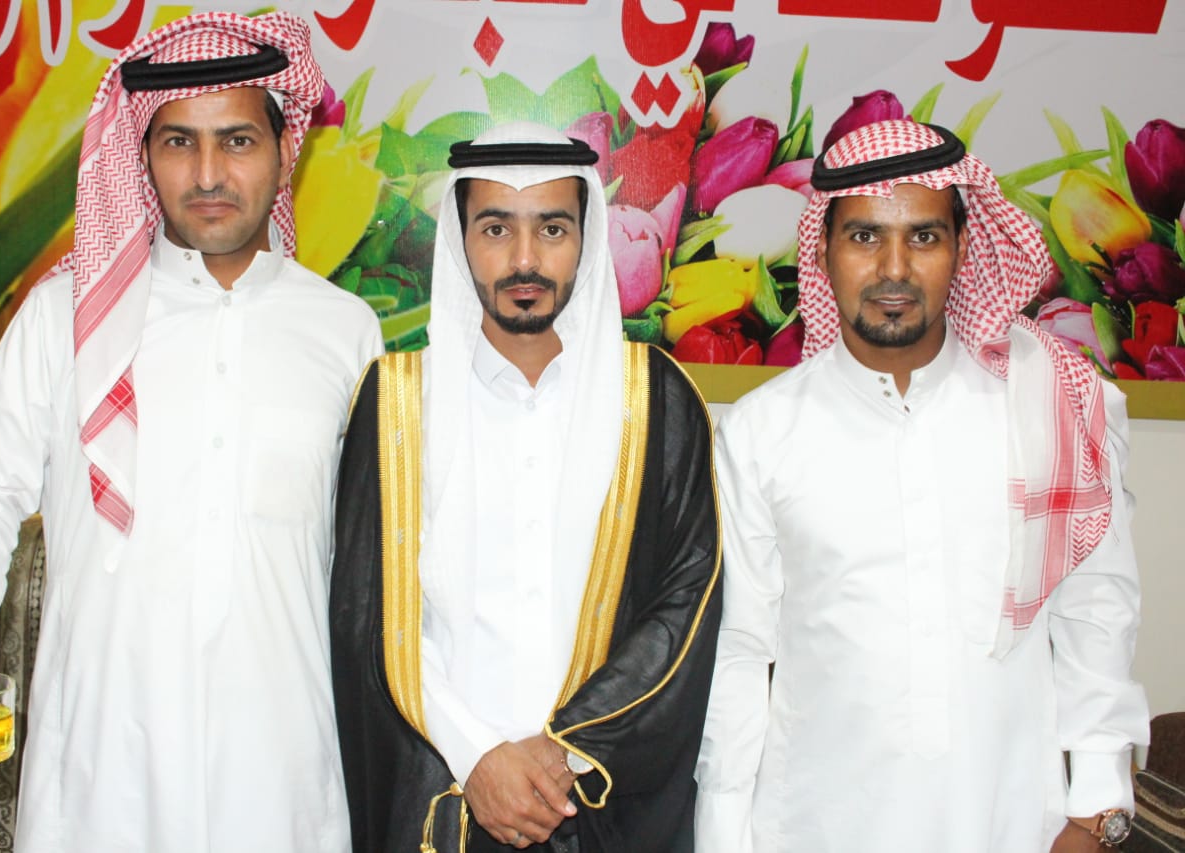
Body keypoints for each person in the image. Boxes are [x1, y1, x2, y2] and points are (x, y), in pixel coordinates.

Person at [0, 11, 382, 852]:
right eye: (178, 142)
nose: (208, 173)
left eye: (238, 141)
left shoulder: (345, 332)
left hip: (280, 784)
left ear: (286, 151)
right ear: (143, 154)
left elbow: (375, 560)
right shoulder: (64, 317)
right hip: (99, 781)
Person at [695, 120, 1150, 853]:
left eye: (925, 237)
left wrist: (1097, 806)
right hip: (814, 825)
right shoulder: (760, 431)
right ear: (822, 249)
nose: (894, 269)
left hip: (1010, 822)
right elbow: (738, 652)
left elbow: (1096, 610)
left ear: (963, 247)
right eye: (865, 237)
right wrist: (722, 836)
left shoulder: (1048, 403)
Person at [329, 122, 722, 852]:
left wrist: (567, 749)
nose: (524, 259)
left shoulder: (656, 400)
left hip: (596, 805)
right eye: (495, 228)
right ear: (460, 240)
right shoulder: (395, 402)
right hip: (448, 802)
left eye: (552, 228)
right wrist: (478, 757)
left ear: (586, 239)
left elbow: (685, 605)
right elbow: (367, 612)